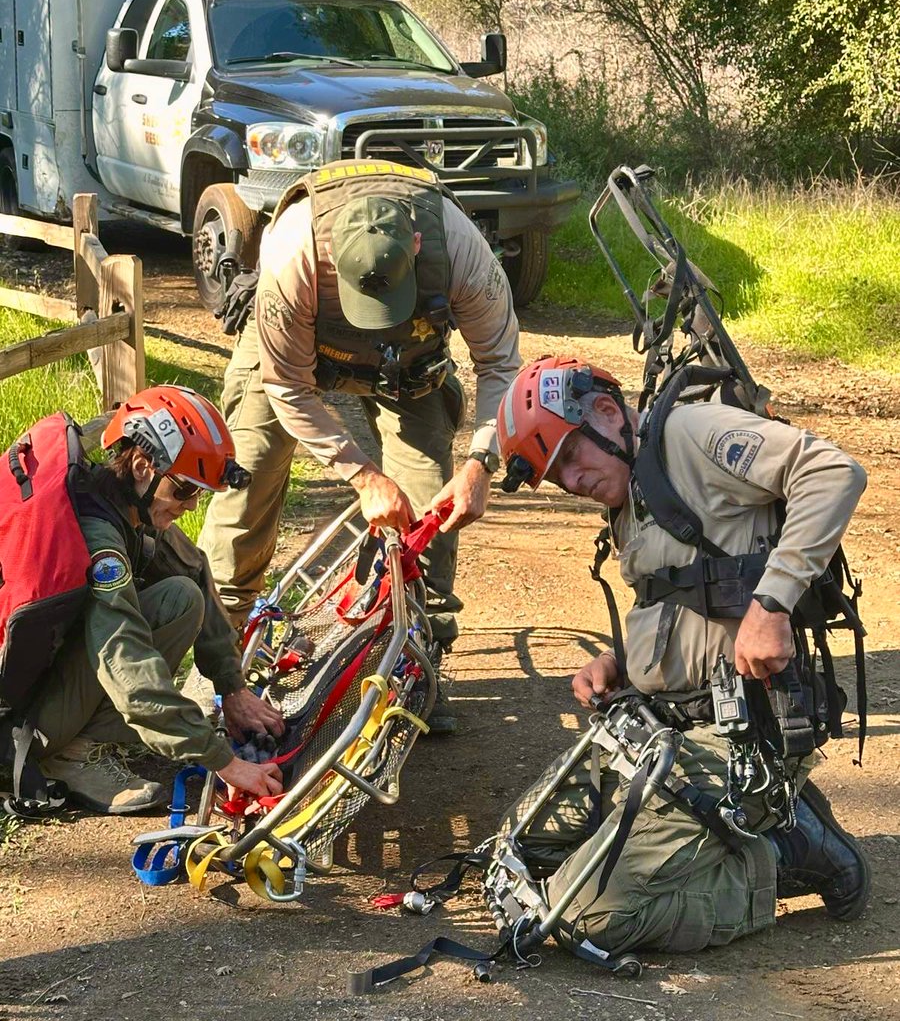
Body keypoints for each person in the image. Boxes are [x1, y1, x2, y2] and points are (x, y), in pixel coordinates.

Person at [495, 354, 870, 956]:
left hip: (741, 729)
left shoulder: (690, 435)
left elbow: (833, 472)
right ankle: (755, 825)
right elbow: (677, 598)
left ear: (609, 413)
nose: (570, 480)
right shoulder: (633, 488)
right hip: (659, 726)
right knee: (522, 850)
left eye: (569, 455)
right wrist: (620, 662)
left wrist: (772, 606)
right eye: (554, 473)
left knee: (587, 916)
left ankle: (787, 849)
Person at [198, 159, 521, 734]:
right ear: (331, 262)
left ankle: (413, 664)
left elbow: (501, 363)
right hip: (298, 352)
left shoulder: (461, 249)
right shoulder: (292, 255)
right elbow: (287, 386)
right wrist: (363, 476)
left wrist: (481, 462)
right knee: (243, 488)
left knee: (430, 509)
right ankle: (216, 671)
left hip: (410, 361)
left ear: (417, 245)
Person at [32, 385, 285, 815]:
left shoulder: (116, 498)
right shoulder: (98, 540)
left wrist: (232, 688)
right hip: (16, 724)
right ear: (143, 466)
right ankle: (67, 755)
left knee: (181, 595)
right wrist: (223, 761)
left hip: (38, 681)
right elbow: (126, 663)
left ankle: (75, 739)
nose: (190, 506)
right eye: (185, 490)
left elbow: (193, 569)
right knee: (162, 616)